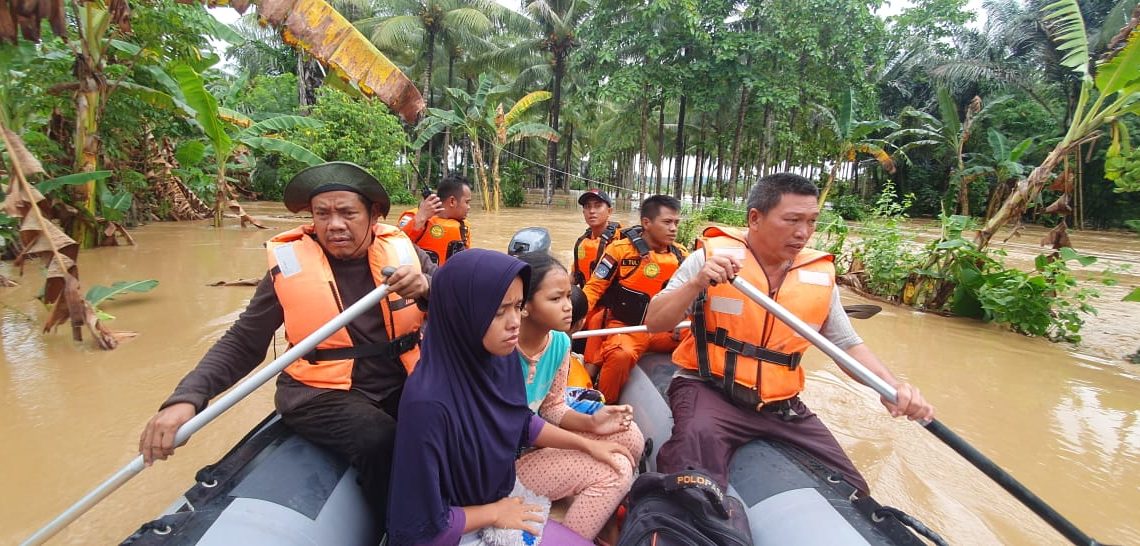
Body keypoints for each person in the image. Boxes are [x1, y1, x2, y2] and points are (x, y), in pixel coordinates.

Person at [138, 162, 436, 531]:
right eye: (322, 214)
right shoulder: (289, 265)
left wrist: (426, 288)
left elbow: (456, 308)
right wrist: (187, 399)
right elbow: (244, 340)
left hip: (396, 377)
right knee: (380, 439)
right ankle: (404, 531)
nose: (335, 225)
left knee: (440, 419)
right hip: (320, 393)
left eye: (347, 213)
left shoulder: (406, 254)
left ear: (374, 215)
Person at [645, 173, 935, 493]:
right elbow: (655, 322)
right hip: (710, 391)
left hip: (781, 406)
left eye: (812, 221)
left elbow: (847, 345)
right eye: (792, 220)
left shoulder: (818, 275)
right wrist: (696, 283)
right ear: (755, 218)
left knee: (854, 489)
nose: (803, 233)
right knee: (692, 480)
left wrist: (891, 387)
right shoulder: (709, 259)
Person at [387, 249, 632, 546]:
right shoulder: (428, 404)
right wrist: (493, 513)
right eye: (499, 311)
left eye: (517, 307)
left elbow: (519, 422)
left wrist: (589, 444)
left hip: (501, 495)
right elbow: (420, 526)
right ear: (461, 313)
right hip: (462, 525)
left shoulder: (498, 362)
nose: (515, 321)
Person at [513, 252, 644, 541]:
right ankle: (568, 537)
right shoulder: (503, 347)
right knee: (617, 470)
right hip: (505, 465)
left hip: (533, 445)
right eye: (556, 298)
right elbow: (519, 426)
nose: (568, 306)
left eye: (568, 295)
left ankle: (600, 507)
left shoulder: (559, 341)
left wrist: (594, 423)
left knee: (630, 436)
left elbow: (553, 407)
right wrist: (587, 445)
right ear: (524, 306)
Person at [582, 195, 689, 403]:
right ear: (646, 223)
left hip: (667, 332)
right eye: (667, 222)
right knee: (620, 355)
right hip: (628, 328)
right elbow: (594, 288)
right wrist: (572, 315)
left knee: (703, 339)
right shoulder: (619, 250)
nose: (673, 228)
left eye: (676, 223)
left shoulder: (682, 255)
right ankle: (605, 405)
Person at [571, 189, 624, 366]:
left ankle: (590, 371)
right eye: (587, 207)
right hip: (589, 299)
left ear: (610, 210)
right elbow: (574, 275)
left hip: (612, 306)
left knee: (595, 319)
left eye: (598, 206)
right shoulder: (583, 241)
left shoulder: (622, 242)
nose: (592, 211)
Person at [397, 173, 473, 266]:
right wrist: (420, 218)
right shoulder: (412, 217)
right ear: (452, 201)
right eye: (467, 202)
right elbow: (395, 247)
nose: (469, 207)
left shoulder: (464, 227)